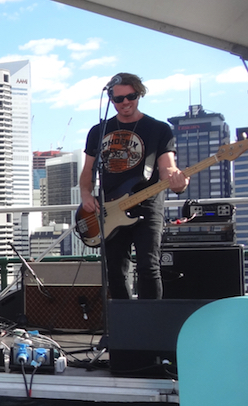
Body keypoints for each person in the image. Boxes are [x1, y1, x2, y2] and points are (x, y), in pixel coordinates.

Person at [78, 73, 188, 299]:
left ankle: (151, 326)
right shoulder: (98, 131)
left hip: (147, 206)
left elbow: (167, 167)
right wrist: (86, 194)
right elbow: (88, 170)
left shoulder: (158, 129)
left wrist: (178, 180)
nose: (125, 102)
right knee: (115, 272)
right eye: (119, 99)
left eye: (131, 96)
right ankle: (123, 324)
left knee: (149, 267)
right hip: (109, 208)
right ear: (110, 99)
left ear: (140, 94)